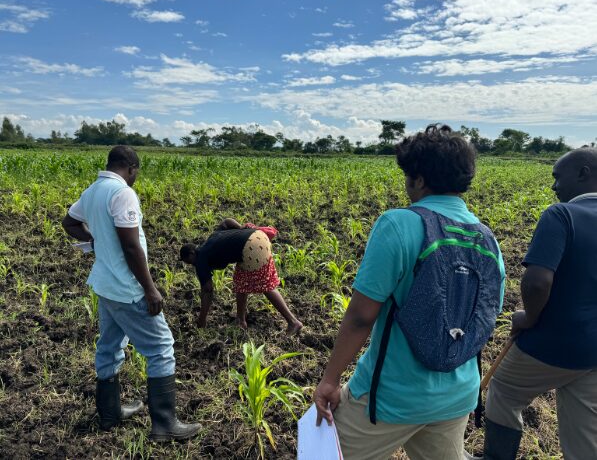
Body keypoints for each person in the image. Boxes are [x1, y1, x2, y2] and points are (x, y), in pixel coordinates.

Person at [313, 124, 506, 460]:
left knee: (325, 455)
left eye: (407, 177)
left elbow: (361, 317)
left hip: (392, 397)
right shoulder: (486, 238)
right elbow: (488, 314)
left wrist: (330, 381)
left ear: (418, 179)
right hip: (458, 394)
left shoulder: (398, 224)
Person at [62, 145, 200, 442]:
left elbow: (70, 222)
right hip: (127, 290)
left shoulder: (94, 190)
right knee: (161, 348)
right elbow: (131, 246)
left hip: (105, 285)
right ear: (132, 167)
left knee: (109, 346)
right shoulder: (122, 192)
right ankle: (165, 425)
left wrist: (95, 240)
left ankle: (110, 414)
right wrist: (150, 289)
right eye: (137, 172)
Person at [481, 148, 597, 460]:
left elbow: (536, 281)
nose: (554, 187)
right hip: (593, 349)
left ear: (584, 174)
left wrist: (528, 317)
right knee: (584, 428)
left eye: (558, 178)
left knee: (503, 389)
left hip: (556, 342)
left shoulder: (561, 215)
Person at [180, 218, 303, 335]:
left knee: (263, 285)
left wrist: (201, 320)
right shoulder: (211, 239)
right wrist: (241, 229)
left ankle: (293, 322)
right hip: (259, 236)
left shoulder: (201, 260)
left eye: (189, 262)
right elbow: (226, 222)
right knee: (241, 281)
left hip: (251, 248)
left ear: (192, 253)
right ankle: (240, 320)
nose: (192, 265)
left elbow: (207, 290)